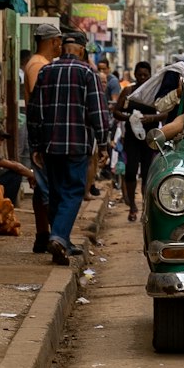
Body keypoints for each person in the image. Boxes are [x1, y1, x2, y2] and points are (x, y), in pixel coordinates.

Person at [27, 30, 112, 265]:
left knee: (55, 193)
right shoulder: (87, 73)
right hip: (76, 144)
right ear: (82, 50)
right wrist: (103, 144)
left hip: (50, 144)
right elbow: (98, 113)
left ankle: (61, 239)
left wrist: (35, 144)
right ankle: (59, 237)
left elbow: (35, 111)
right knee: (73, 192)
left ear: (63, 47)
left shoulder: (46, 71)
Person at [23, 21, 62, 254]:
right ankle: (55, 236)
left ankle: (42, 235)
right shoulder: (38, 66)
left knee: (42, 187)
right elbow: (41, 103)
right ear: (53, 41)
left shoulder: (40, 64)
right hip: (43, 132)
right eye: (58, 42)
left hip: (41, 131)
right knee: (49, 186)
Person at [113, 60, 153, 221]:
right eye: (140, 75)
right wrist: (129, 118)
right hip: (132, 138)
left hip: (149, 139)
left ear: (150, 76)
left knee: (147, 173)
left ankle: (145, 206)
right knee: (130, 172)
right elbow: (116, 111)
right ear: (135, 75)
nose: (142, 78)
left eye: (145, 75)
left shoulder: (154, 92)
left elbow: (164, 112)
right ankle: (132, 206)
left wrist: (151, 118)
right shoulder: (128, 91)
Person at [0, 120, 35, 207]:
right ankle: (6, 207)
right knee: (15, 174)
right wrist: (34, 176)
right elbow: (16, 167)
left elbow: (12, 164)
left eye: (1, 140)